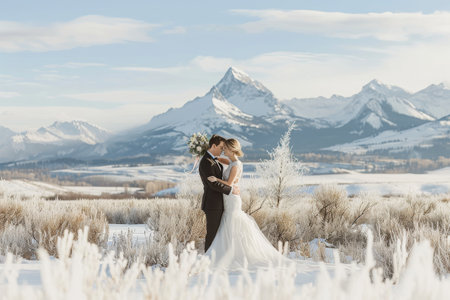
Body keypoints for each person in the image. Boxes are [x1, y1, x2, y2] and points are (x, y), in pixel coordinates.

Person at [204, 138, 293, 271]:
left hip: (232, 199)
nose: (223, 150)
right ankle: (228, 254)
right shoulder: (233, 162)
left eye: (226, 148)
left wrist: (215, 178)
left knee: (231, 224)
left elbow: (229, 184)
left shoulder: (235, 165)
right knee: (228, 226)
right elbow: (223, 161)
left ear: (232, 149)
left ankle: (233, 256)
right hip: (228, 198)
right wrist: (212, 157)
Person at [198, 134, 240, 252]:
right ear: (214, 145)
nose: (222, 150)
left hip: (220, 202)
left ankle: (217, 258)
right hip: (212, 204)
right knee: (212, 234)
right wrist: (231, 190)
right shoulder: (206, 161)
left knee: (220, 235)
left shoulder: (213, 160)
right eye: (221, 147)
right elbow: (212, 184)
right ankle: (208, 260)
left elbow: (232, 165)